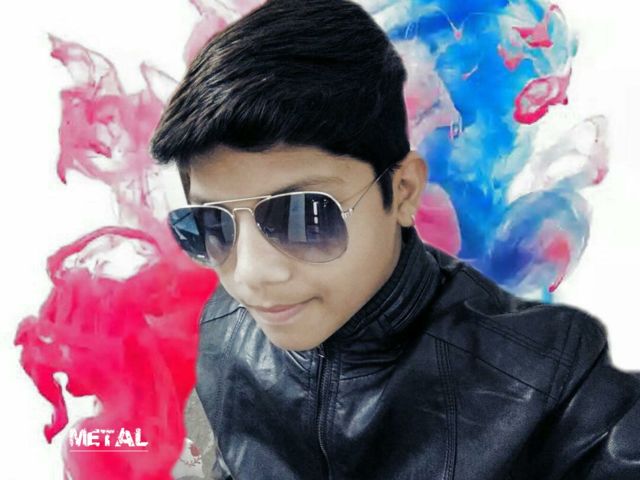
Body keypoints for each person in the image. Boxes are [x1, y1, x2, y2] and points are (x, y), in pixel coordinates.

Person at [149, 1, 640, 478]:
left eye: (304, 216)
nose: (250, 275)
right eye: (211, 225)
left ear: (403, 191)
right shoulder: (223, 327)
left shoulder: (556, 379)